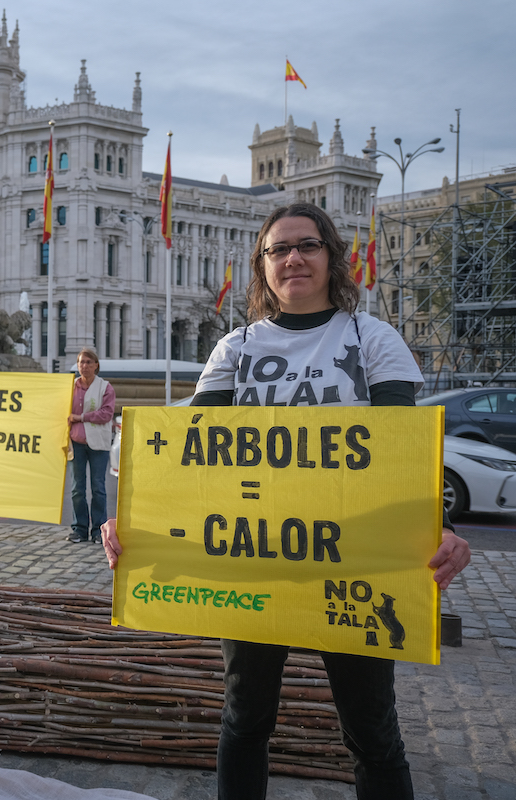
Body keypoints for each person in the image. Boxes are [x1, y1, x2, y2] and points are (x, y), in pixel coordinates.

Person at [101, 202, 471, 799]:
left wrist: (443, 526)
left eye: (308, 245)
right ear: (262, 265)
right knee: (245, 719)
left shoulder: (373, 339)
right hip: (254, 559)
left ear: (331, 258)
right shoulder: (234, 349)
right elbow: (190, 457)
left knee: (372, 731)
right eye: (279, 249)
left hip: (356, 558)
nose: (294, 258)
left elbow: (406, 454)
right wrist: (133, 519)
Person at [68, 346, 116, 543]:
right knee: (77, 488)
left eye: (88, 362)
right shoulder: (71, 387)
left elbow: (106, 414)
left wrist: (80, 417)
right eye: (81, 362)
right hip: (76, 443)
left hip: (98, 445)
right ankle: (79, 529)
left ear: (96, 365)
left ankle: (98, 529)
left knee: (98, 488)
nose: (84, 366)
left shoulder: (105, 387)